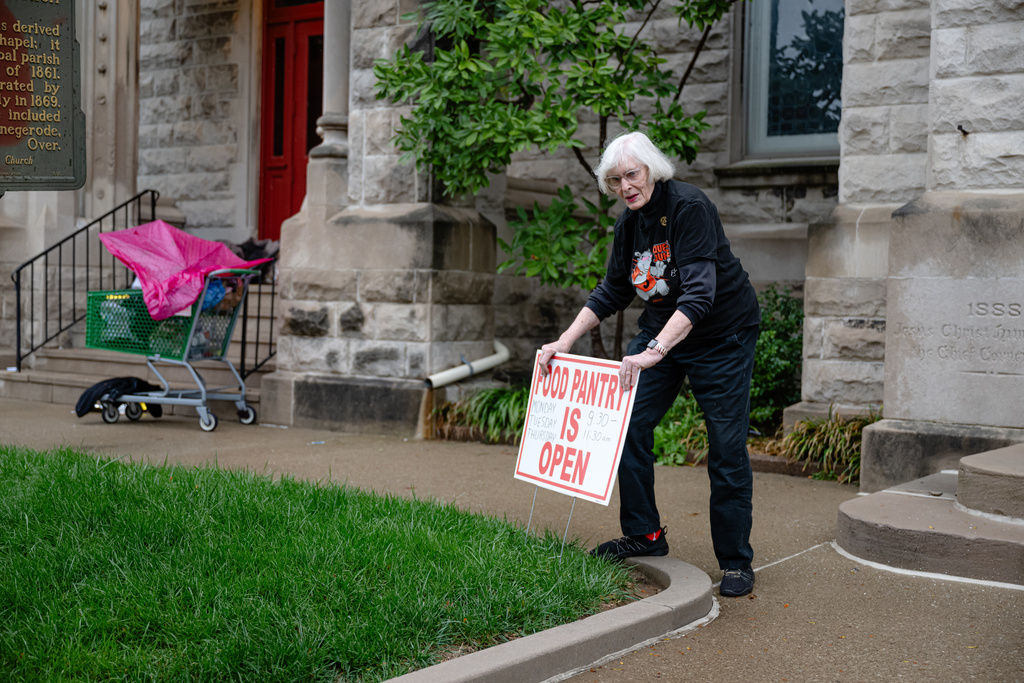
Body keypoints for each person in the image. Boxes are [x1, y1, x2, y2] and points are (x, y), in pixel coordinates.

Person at [537, 131, 762, 598]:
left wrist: (653, 351)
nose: (625, 186)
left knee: (724, 445)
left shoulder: (689, 208)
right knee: (628, 426)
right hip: (663, 332)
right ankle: (645, 534)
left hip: (723, 336)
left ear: (651, 170)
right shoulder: (629, 225)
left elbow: (701, 293)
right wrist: (564, 339)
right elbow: (613, 290)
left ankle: (736, 561)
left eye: (632, 174)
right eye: (615, 179)